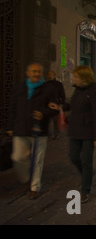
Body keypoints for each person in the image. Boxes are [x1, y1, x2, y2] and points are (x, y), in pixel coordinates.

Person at [7, 63, 60, 200]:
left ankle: (34, 187)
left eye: (39, 71)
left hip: (39, 130)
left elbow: (55, 109)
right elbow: (12, 108)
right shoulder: (19, 88)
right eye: (34, 71)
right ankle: (26, 179)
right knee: (17, 157)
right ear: (27, 73)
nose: (37, 73)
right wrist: (9, 126)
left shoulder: (48, 89)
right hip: (20, 129)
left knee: (37, 161)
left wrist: (43, 113)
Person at [66, 66, 96, 203]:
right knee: (73, 157)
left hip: (88, 132)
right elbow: (74, 108)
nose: (74, 79)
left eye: (76, 77)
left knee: (86, 161)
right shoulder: (77, 90)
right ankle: (87, 175)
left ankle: (85, 190)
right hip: (75, 130)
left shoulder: (94, 91)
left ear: (84, 78)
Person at [46, 70, 66, 139]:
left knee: (55, 120)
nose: (49, 76)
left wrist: (61, 103)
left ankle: (56, 133)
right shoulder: (46, 84)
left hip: (55, 104)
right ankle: (47, 134)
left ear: (54, 75)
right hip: (47, 105)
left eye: (51, 74)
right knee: (47, 120)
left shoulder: (58, 84)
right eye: (48, 74)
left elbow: (62, 94)